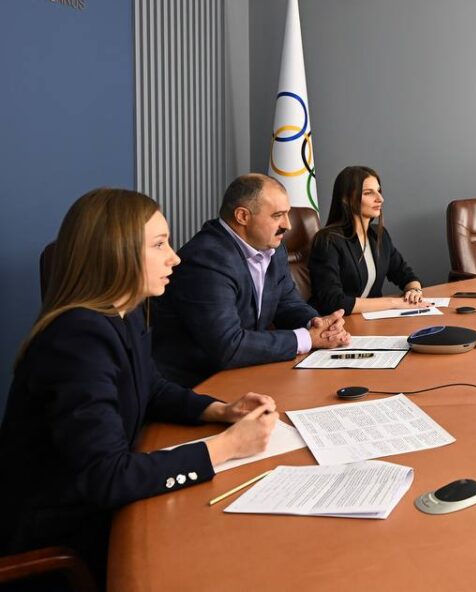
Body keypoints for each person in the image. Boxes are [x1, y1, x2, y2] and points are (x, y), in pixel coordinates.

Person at [0, 189, 278, 581]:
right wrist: (227, 447)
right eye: (159, 244)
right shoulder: (78, 339)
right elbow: (106, 476)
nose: (175, 258)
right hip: (64, 540)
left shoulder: (125, 312)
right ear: (115, 253)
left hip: (105, 512)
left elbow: (151, 386)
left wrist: (218, 409)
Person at [152, 174, 350, 387]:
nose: (288, 225)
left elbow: (287, 304)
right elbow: (228, 345)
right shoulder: (207, 259)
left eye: (287, 214)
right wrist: (308, 338)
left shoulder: (273, 248)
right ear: (242, 216)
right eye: (278, 215)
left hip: (245, 373)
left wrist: (319, 324)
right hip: (196, 385)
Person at [308, 166, 424, 315]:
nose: (380, 199)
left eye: (379, 191)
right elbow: (334, 302)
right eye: (368, 193)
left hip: (369, 320)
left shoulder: (379, 235)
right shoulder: (328, 240)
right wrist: (394, 303)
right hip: (335, 322)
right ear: (346, 199)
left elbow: (405, 274)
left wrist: (414, 290)